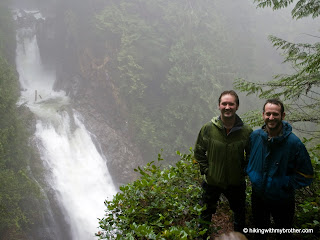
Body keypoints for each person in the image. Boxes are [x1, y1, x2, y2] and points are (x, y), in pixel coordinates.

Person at [246, 99, 314, 240]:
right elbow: (249, 157)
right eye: (268, 114)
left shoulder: (294, 143)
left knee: (284, 234)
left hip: (282, 199)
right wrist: (252, 174)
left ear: (282, 116)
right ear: (263, 114)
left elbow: (306, 175)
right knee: (259, 231)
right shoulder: (255, 137)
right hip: (258, 196)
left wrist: (284, 184)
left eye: (275, 114)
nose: (271, 118)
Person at [194, 90, 252, 238]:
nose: (227, 107)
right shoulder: (208, 129)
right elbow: (199, 152)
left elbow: (252, 155)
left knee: (239, 215)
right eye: (224, 104)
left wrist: (243, 171)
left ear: (237, 106)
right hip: (212, 181)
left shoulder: (246, 131)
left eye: (231, 104)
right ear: (219, 106)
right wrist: (207, 170)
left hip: (236, 182)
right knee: (205, 214)